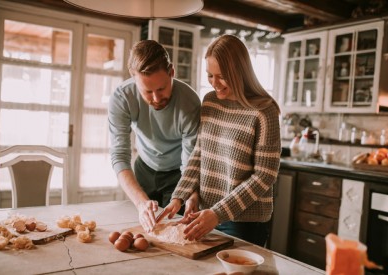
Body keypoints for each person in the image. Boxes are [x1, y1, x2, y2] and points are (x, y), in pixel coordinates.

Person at [157, 34, 281, 246]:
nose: (215, 83)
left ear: (239, 73)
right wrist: (179, 197)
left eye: (221, 76)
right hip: (205, 214)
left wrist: (218, 213)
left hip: (244, 221)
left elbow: (264, 176)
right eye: (210, 76)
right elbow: (200, 153)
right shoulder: (210, 101)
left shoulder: (263, 110)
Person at [108, 40, 201, 232]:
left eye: (161, 88)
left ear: (172, 72)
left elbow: (189, 162)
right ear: (134, 79)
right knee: (145, 231)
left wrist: (191, 194)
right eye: (147, 92)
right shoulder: (122, 98)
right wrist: (141, 203)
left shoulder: (190, 103)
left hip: (178, 176)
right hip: (143, 169)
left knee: (173, 233)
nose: (157, 99)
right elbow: (119, 155)